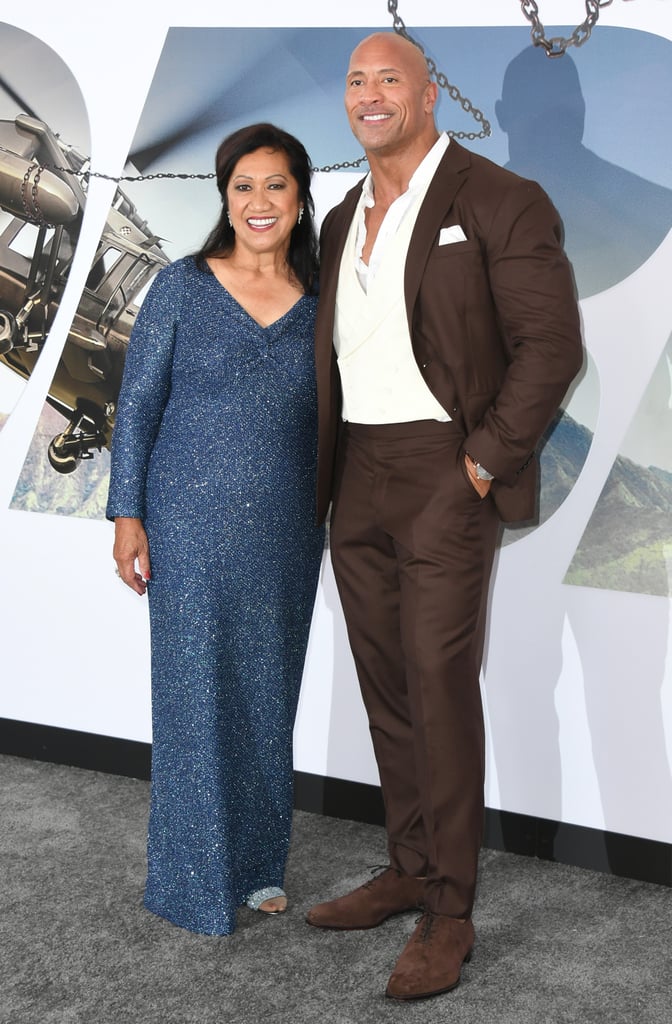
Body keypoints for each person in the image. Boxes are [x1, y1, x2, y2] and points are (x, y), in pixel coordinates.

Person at [304, 33, 583, 1000]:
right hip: (359, 474)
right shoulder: (341, 219)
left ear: (430, 94)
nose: (370, 95)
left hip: (442, 470)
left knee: (438, 683)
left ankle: (450, 912)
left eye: (391, 78)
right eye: (356, 81)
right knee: (386, 683)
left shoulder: (499, 199)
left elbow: (552, 348)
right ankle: (408, 866)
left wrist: (479, 464)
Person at [106, 123, 324, 935]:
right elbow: (136, 407)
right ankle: (192, 879)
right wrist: (127, 513)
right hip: (187, 522)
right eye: (242, 187)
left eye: (275, 186)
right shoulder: (182, 286)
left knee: (269, 696)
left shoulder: (326, 299)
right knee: (196, 697)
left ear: (300, 199)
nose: (258, 202)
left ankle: (261, 865)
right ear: (223, 197)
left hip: (287, 530)